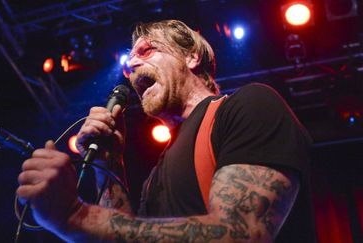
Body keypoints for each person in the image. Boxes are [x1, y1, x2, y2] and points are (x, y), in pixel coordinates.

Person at [17, 19, 312, 242]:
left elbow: (240, 233)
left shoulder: (249, 104)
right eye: (127, 64)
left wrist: (77, 216)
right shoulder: (155, 176)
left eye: (146, 50)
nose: (131, 66)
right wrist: (109, 167)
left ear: (191, 56)